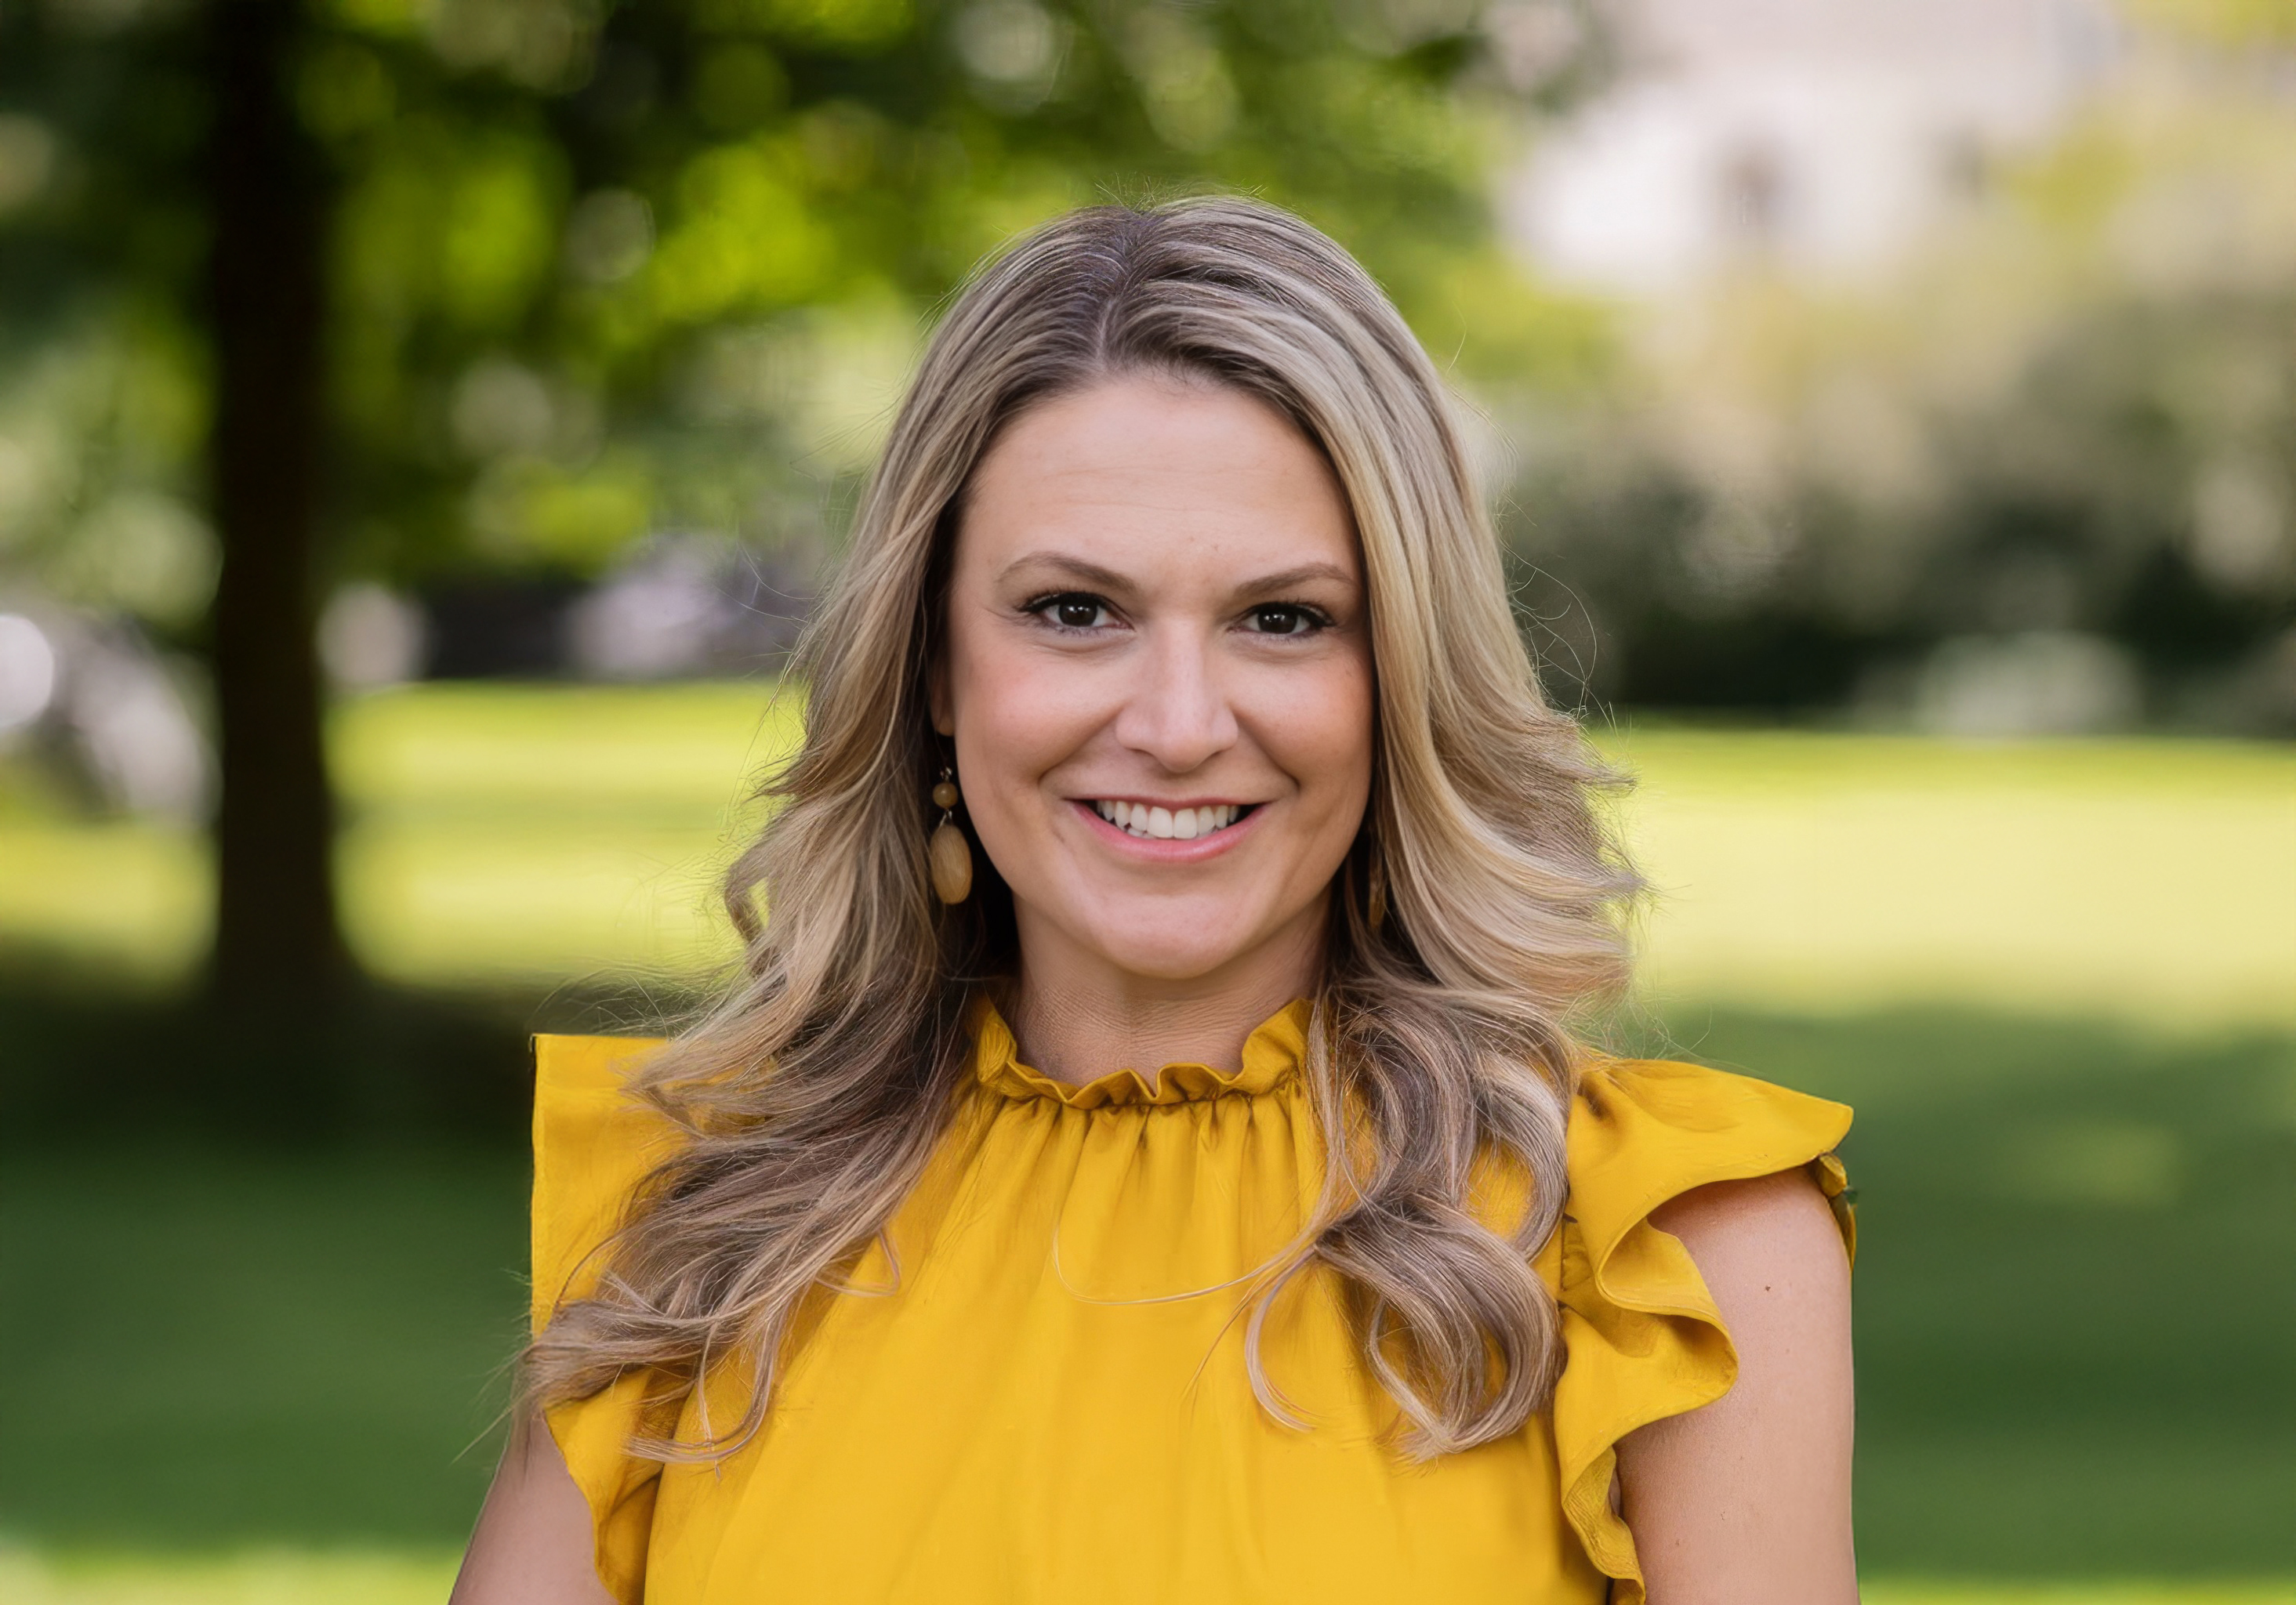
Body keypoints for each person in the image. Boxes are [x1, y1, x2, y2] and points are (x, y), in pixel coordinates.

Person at [451, 197, 1858, 1605]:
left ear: (1402, 676)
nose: (1179, 727)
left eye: (1283, 618)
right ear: (930, 664)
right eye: (1075, 611)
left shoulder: (1667, 1254)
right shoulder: (693, 1224)